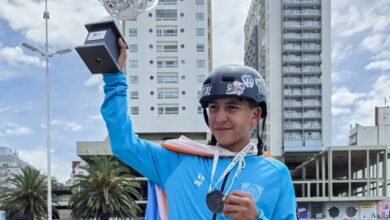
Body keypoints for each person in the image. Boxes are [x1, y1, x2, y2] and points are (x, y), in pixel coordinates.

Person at [101, 38, 297, 220]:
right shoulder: (175, 162)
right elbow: (123, 144)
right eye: (213, 107)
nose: (220, 118)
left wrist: (256, 218)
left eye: (232, 107)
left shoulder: (276, 173)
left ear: (255, 115)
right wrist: (114, 78)